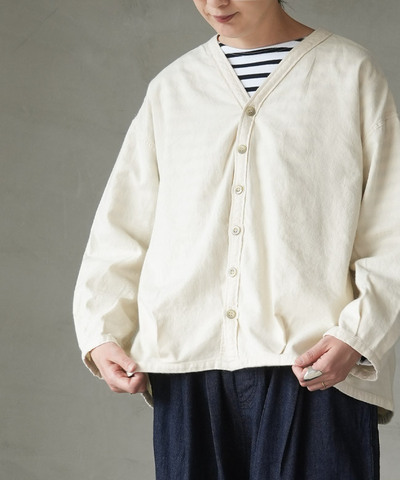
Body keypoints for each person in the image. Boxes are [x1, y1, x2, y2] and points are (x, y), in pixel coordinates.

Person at [73, 1, 400, 478]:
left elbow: (390, 223)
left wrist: (358, 335)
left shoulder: (350, 74)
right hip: (187, 362)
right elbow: (123, 224)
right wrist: (102, 332)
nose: (216, 3)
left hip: (313, 363)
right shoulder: (172, 88)